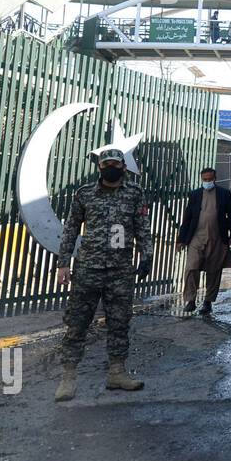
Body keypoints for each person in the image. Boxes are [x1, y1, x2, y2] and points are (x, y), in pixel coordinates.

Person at [54, 147, 152, 402]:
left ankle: (117, 373)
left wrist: (146, 256)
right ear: (99, 167)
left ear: (123, 167)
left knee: (119, 323)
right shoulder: (84, 194)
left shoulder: (134, 193)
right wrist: (63, 264)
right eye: (106, 163)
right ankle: (68, 377)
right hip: (88, 269)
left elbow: (142, 228)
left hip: (120, 271)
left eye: (116, 163)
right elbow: (71, 229)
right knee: (77, 323)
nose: (111, 167)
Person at [177, 167, 231, 315]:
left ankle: (207, 302)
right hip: (196, 238)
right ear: (201, 179)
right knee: (191, 267)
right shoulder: (195, 194)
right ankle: (190, 300)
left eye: (210, 179)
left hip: (217, 238)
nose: (207, 182)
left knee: (214, 271)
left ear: (215, 179)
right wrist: (181, 239)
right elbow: (187, 217)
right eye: (205, 179)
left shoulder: (224, 194)